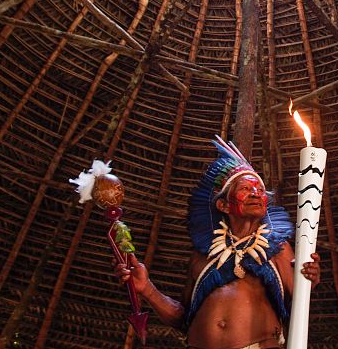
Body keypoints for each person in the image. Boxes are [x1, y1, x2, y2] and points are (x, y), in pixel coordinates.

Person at [115, 136, 321, 349]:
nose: (255, 194)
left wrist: (309, 279)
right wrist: (146, 288)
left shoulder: (277, 248)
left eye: (260, 191)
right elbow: (182, 319)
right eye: (245, 189)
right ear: (222, 205)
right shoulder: (202, 255)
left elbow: (299, 303)